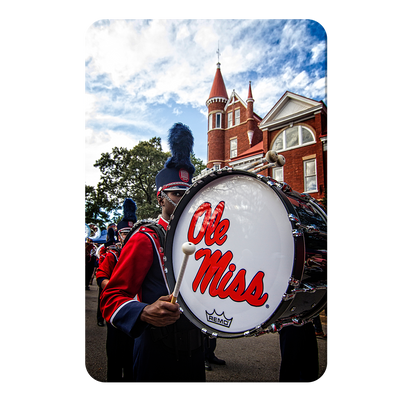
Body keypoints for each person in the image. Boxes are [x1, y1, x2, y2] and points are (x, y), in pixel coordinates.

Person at [100, 123, 205, 384]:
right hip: (157, 351)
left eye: (188, 194)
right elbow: (111, 298)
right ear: (160, 198)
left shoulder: (201, 241)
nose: (183, 200)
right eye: (176, 194)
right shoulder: (145, 238)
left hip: (195, 352)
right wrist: (144, 312)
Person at [96, 199, 137, 384]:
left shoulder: (138, 252)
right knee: (114, 354)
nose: (127, 237)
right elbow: (101, 275)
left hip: (134, 309)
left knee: (131, 356)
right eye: (124, 234)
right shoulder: (112, 254)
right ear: (119, 235)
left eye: (130, 233)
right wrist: (115, 291)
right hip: (116, 308)